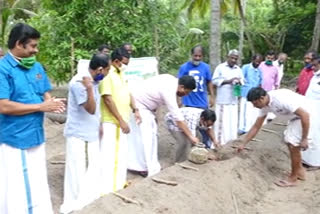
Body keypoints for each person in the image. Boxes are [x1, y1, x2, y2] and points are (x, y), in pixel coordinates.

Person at [0, 23, 65, 214]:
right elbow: (3, 105)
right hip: (15, 138)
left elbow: (44, 91)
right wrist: (41, 106)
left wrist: (52, 102)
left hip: (36, 135)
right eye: (33, 46)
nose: (36, 50)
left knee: (37, 182)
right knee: (19, 187)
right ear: (19, 44)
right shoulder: (3, 69)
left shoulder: (36, 66)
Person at [60, 54, 111, 214]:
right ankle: (74, 203)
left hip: (92, 131)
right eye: (108, 70)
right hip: (77, 132)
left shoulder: (96, 81)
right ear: (100, 69)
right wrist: (88, 88)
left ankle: (88, 197)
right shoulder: (78, 83)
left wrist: (100, 123)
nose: (108, 73)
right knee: (76, 167)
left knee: (94, 164)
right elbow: (90, 108)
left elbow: (97, 108)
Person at [237, 87, 315, 187]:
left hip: (307, 115)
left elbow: (305, 115)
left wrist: (304, 138)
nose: (254, 106)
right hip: (295, 118)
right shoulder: (264, 106)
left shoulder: (281, 100)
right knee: (290, 141)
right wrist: (243, 143)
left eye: (255, 103)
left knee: (292, 144)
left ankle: (293, 178)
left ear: (262, 98)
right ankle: (299, 172)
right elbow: (256, 126)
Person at [127, 74, 198, 177]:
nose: (185, 95)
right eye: (186, 92)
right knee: (147, 138)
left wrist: (155, 115)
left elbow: (155, 96)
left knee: (151, 136)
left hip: (146, 107)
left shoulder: (171, 80)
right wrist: (191, 137)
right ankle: (145, 168)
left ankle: (147, 166)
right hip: (138, 105)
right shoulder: (168, 89)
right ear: (182, 87)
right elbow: (178, 118)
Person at [99, 48, 141, 195]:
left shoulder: (120, 73)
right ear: (116, 61)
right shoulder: (107, 75)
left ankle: (119, 183)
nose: (125, 66)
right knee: (110, 156)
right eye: (124, 63)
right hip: (113, 122)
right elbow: (107, 99)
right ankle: (107, 189)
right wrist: (120, 120)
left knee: (121, 155)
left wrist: (135, 109)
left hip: (122, 121)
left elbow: (128, 92)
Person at [212, 49, 244, 146]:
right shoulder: (220, 67)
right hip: (223, 101)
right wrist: (228, 81)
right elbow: (214, 81)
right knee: (221, 124)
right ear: (227, 57)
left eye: (236, 58)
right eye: (232, 58)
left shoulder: (238, 69)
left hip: (233, 100)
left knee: (232, 123)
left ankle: (231, 143)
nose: (234, 60)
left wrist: (239, 81)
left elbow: (243, 80)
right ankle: (219, 143)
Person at [302, 57, 320, 169]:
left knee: (317, 135)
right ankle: (307, 159)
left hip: (318, 111)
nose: (312, 67)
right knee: (309, 133)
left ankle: (316, 162)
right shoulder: (315, 76)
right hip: (310, 109)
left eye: (315, 65)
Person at [238, 54, 263, 134]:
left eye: (259, 62)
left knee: (251, 112)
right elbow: (240, 79)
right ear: (252, 60)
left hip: (254, 95)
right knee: (243, 111)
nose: (257, 64)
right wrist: (238, 93)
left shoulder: (259, 71)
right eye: (256, 62)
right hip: (245, 93)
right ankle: (242, 128)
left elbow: (260, 82)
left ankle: (249, 128)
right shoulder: (246, 68)